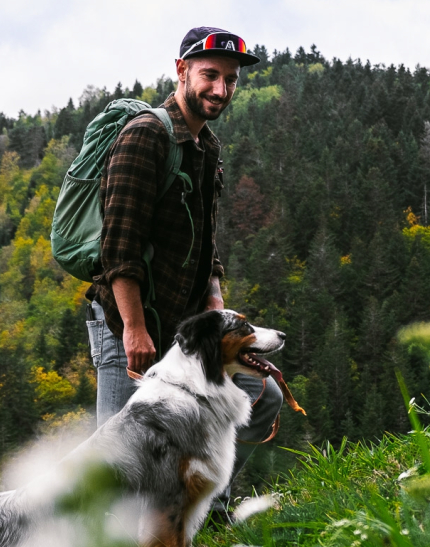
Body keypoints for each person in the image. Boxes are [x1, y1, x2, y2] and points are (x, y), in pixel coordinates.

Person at [84, 26, 283, 519]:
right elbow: (118, 250)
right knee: (121, 459)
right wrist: (133, 329)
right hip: (126, 324)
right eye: (210, 75)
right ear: (182, 71)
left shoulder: (207, 146)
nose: (221, 89)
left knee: (263, 396)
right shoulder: (145, 136)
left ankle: (200, 506)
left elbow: (207, 243)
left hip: (186, 331)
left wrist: (214, 296)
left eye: (231, 80)